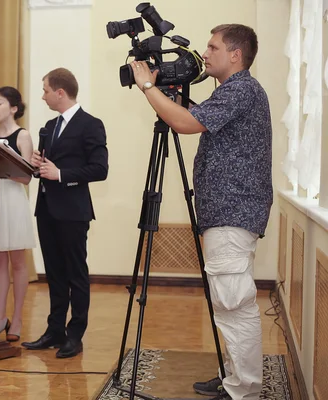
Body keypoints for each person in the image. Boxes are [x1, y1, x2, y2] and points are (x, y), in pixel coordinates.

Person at [131, 24, 272, 400]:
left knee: (233, 303)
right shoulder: (234, 92)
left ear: (235, 55)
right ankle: (234, 378)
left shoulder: (241, 88)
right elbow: (196, 114)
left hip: (231, 211)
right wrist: (168, 95)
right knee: (227, 302)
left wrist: (147, 86)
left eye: (212, 47)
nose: (204, 54)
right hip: (228, 211)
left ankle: (244, 390)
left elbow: (185, 123)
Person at [21, 68, 109, 358]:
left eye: (45, 90)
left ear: (60, 92)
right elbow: (46, 168)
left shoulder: (90, 124)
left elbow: (100, 169)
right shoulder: (49, 125)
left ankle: (75, 335)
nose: (43, 95)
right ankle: (54, 330)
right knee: (55, 275)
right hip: (46, 209)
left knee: (75, 274)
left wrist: (60, 174)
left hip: (73, 211)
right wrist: (38, 165)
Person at [0, 86, 36, 342]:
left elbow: (27, 177)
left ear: (14, 108)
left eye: (0, 102)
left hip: (14, 200)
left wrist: (5, 170)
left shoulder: (23, 136)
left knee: (18, 262)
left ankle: (16, 318)